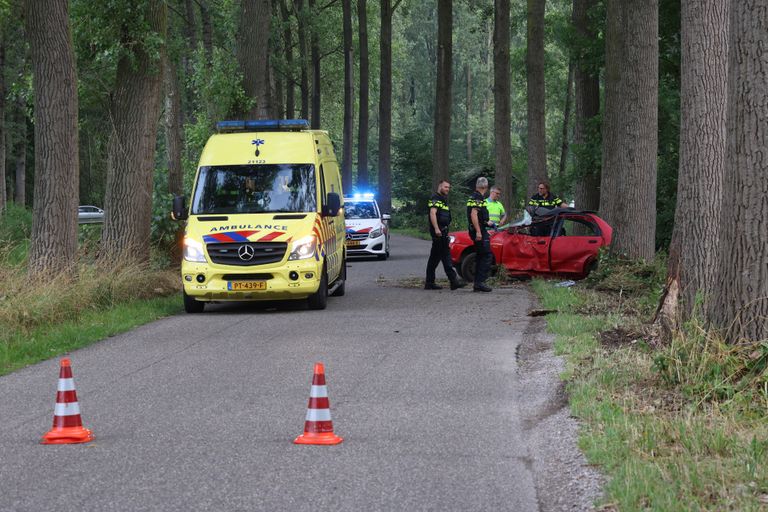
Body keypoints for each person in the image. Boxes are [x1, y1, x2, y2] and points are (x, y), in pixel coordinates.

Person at [425, 180, 466, 290]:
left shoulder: (442, 199)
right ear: (440, 186)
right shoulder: (435, 198)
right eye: (445, 187)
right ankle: (452, 281)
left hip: (443, 231)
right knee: (442, 257)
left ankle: (431, 282)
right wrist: (437, 229)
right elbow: (432, 213)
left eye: (448, 187)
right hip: (439, 232)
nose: (447, 189)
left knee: (438, 257)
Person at [467, 177, 493, 292]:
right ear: (484, 187)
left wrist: (486, 224)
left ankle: (478, 283)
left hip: (480, 229)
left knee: (480, 255)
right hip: (478, 231)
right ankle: (480, 282)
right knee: (487, 255)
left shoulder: (474, 196)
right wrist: (479, 231)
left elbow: (479, 216)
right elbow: (473, 214)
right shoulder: (478, 197)